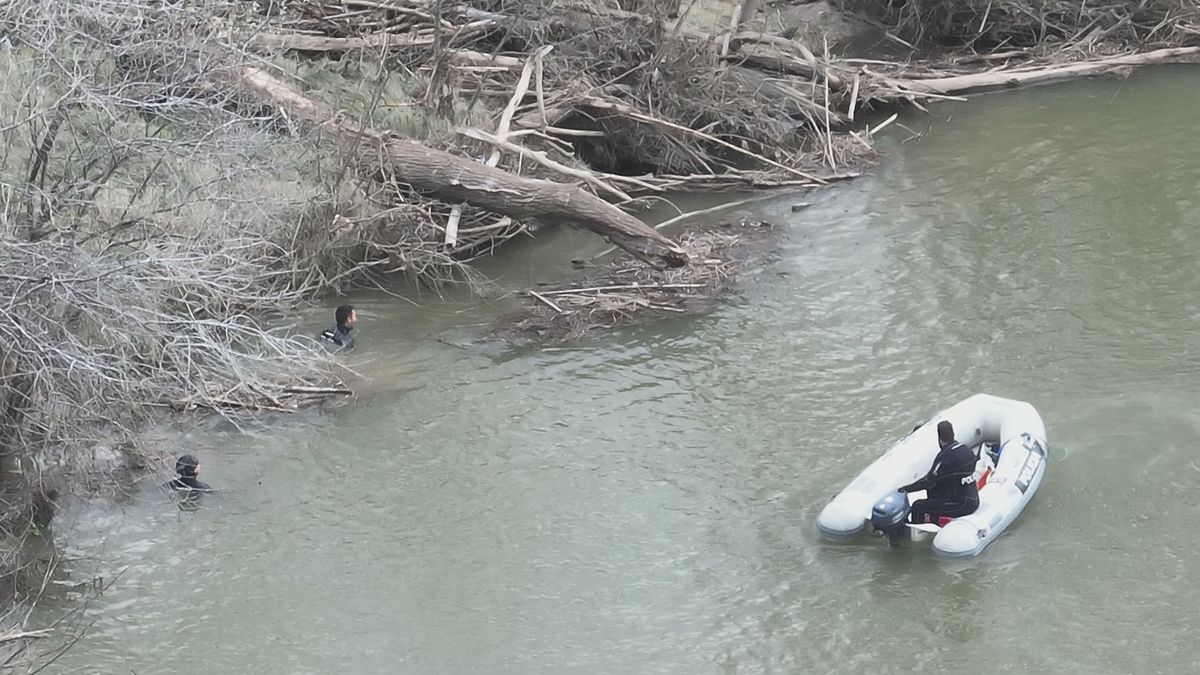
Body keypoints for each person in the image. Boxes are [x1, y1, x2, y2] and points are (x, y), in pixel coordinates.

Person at [899, 420, 979, 524]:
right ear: (953, 434)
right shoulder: (966, 449)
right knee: (936, 489)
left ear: (939, 438)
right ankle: (933, 520)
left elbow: (928, 482)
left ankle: (918, 532)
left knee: (918, 506)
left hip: (961, 506)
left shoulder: (945, 457)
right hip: (973, 500)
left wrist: (904, 489)